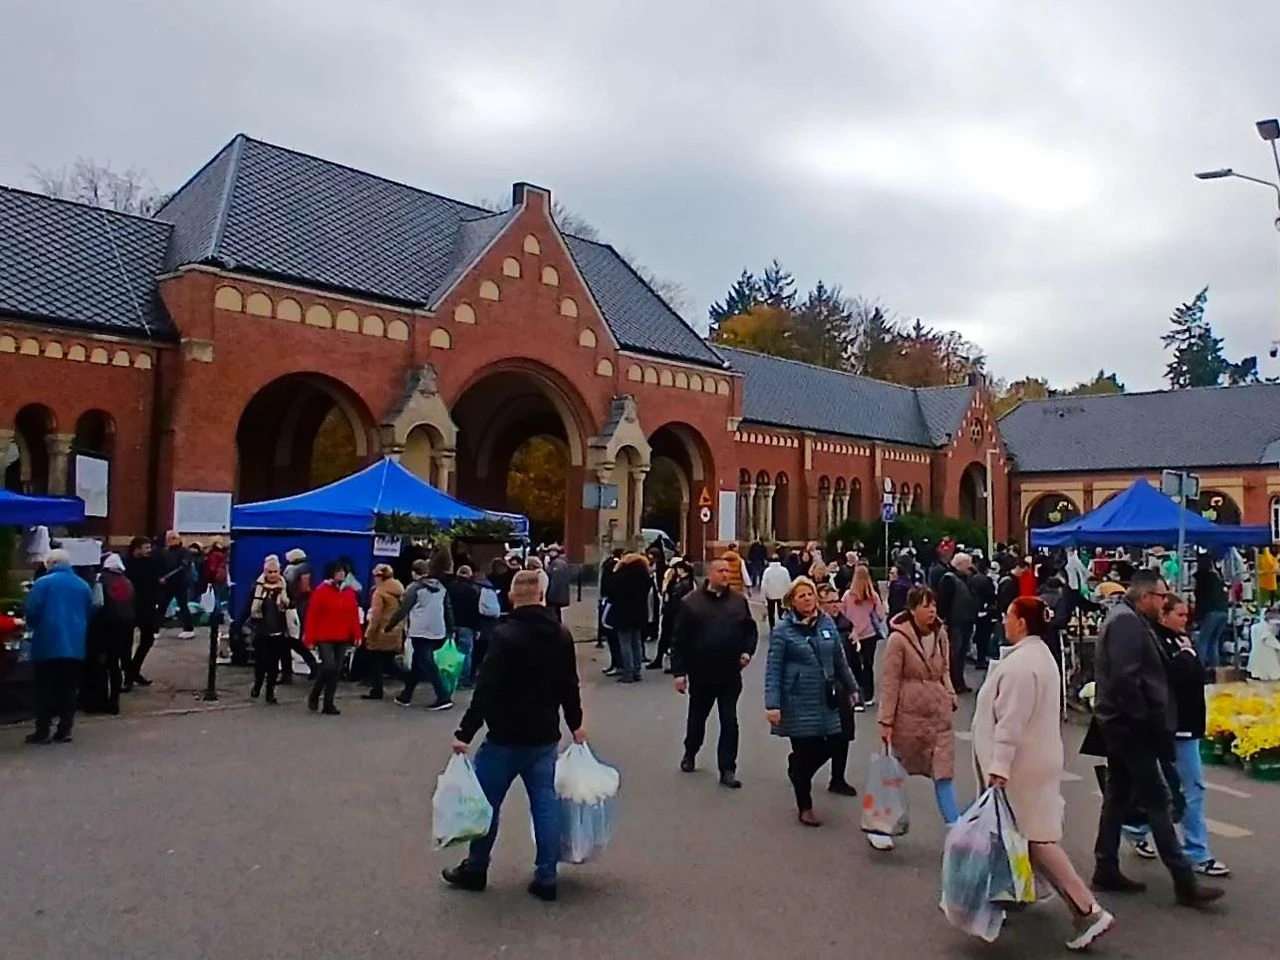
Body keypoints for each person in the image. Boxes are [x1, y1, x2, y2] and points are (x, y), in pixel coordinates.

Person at [972, 596, 1116, 951]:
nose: (1004, 621)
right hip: (1035, 760)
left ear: (1021, 623)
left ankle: (1087, 909)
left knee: (1036, 839)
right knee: (1024, 836)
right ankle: (1019, 894)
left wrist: (999, 768)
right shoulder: (1038, 657)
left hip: (1021, 766)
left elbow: (1011, 723)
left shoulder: (1022, 666)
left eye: (1009, 615)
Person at [444, 570, 586, 902]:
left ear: (511, 597)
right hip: (544, 736)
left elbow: (486, 689)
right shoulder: (562, 635)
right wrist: (576, 724)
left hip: (505, 736)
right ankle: (547, 876)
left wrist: (465, 732)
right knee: (545, 805)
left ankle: (476, 867)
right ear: (542, 596)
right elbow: (570, 684)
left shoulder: (504, 635)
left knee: (486, 805)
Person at [1091, 570, 1223, 906]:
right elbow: (1125, 679)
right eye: (1162, 597)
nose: (1166, 602)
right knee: (1158, 801)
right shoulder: (1127, 623)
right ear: (1147, 596)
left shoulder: (1128, 618)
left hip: (1122, 724)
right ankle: (1183, 881)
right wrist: (1145, 720)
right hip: (1131, 727)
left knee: (1118, 796)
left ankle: (1105, 865)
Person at [1122, 593, 1230, 878]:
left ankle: (1134, 826)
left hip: (1190, 724)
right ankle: (1197, 851)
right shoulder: (1160, 642)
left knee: (1170, 789)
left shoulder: (1182, 639)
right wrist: (1185, 657)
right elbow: (1169, 678)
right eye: (1179, 614)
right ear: (1164, 614)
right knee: (1191, 789)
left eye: (1186, 614)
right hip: (1175, 726)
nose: (1185, 620)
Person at [763, 576, 859, 826]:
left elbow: (839, 660)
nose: (807, 599)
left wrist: (852, 687)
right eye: (801, 595)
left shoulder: (826, 623)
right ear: (792, 601)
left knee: (836, 742)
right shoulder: (784, 630)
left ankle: (796, 769)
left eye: (810, 594)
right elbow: (773, 668)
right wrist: (772, 704)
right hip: (797, 700)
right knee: (805, 751)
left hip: (826, 697)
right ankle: (805, 806)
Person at [873, 586, 959, 850]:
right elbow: (890, 681)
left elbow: (945, 668)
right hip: (908, 715)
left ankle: (956, 830)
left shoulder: (941, 633)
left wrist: (949, 692)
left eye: (933, 605)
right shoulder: (899, 640)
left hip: (938, 714)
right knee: (894, 772)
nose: (931, 610)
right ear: (912, 610)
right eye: (924, 605)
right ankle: (880, 826)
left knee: (943, 773)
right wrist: (886, 721)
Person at [671, 558, 759, 788]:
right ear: (710, 574)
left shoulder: (738, 602)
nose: (725, 575)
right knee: (698, 718)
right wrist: (679, 673)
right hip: (701, 673)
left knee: (729, 721)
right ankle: (690, 751)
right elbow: (678, 640)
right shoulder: (691, 603)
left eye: (728, 571)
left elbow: (750, 630)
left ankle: (727, 768)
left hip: (730, 672)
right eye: (720, 571)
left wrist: (747, 651)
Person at [24, 548, 95, 744]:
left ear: (50, 564)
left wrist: (32, 625)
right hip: (75, 644)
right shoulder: (82, 585)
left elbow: (32, 611)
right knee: (69, 689)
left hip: (48, 643)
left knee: (45, 689)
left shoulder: (43, 583)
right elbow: (91, 609)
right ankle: (65, 730)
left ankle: (42, 731)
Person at [388, 556, 457, 710]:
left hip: (420, 631)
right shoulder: (441, 587)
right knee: (419, 662)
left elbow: (403, 610)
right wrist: (451, 629)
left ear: (414, 573)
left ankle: (443, 696)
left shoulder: (414, 588)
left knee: (428, 663)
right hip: (438, 630)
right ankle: (406, 695)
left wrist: (389, 626)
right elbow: (448, 609)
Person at [301, 560, 363, 715]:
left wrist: (357, 634)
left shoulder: (349, 592)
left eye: (343, 571)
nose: (341, 574)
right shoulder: (321, 591)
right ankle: (315, 694)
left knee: (336, 670)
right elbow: (312, 616)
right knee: (329, 666)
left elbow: (353, 615)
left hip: (343, 636)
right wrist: (309, 637)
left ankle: (329, 703)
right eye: (338, 571)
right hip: (324, 636)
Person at [817, 584, 859, 791]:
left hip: (841, 687)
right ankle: (799, 765)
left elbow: (850, 662)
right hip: (818, 688)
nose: (836, 606)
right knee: (817, 738)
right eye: (830, 602)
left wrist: (854, 688)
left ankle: (838, 778)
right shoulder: (814, 626)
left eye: (837, 601)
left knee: (844, 734)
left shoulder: (845, 626)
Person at [95, 554, 135, 715]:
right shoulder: (127, 581)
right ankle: (115, 700)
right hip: (126, 625)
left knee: (104, 664)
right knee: (115, 664)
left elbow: (97, 603)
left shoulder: (102, 579)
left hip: (107, 625)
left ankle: (103, 699)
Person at [603, 552, 652, 683]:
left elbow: (610, 591)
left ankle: (628, 672)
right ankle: (637, 671)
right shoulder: (645, 576)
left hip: (623, 613)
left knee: (625, 643)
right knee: (636, 642)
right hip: (640, 613)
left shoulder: (621, 576)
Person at [248, 555, 291, 704]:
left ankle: (270, 693)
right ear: (264, 572)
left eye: (275, 571)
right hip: (262, 632)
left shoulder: (284, 586)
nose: (273, 575)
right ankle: (258, 685)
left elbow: (291, 605)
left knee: (274, 665)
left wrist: (283, 599)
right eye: (270, 572)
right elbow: (250, 607)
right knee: (261, 663)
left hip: (278, 632)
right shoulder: (257, 587)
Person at [841, 564, 886, 707]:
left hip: (852, 634)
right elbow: (880, 615)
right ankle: (869, 695)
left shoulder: (848, 596)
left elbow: (841, 613)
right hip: (869, 634)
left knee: (853, 665)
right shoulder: (873, 597)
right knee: (868, 665)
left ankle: (856, 694)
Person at [361, 563, 405, 700]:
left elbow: (376, 616)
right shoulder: (400, 590)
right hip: (396, 630)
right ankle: (409, 679)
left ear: (380, 577)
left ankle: (377, 690)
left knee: (376, 662)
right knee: (389, 660)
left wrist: (369, 633)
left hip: (382, 631)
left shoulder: (379, 592)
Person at [936, 552, 977, 694]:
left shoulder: (964, 579)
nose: (970, 567)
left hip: (965, 621)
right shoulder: (948, 580)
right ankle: (953, 682)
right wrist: (944, 621)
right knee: (954, 654)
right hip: (955, 622)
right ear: (960, 565)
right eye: (968, 564)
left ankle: (959, 681)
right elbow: (943, 602)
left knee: (961, 654)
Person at [123, 536, 158, 689]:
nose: (148, 550)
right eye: (145, 547)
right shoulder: (126, 564)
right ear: (136, 549)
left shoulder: (151, 563)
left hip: (147, 606)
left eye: (149, 547)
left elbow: (154, 582)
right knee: (125, 643)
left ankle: (133, 670)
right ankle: (128, 675)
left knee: (148, 639)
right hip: (130, 606)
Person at [650, 559, 695, 671]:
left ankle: (669, 662)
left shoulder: (683, 584)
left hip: (674, 614)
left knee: (671, 639)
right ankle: (663, 660)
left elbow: (676, 599)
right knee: (669, 638)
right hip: (673, 613)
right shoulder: (682, 582)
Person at [281, 548, 319, 682]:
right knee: (290, 640)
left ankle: (290, 672)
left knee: (290, 640)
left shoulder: (296, 569)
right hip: (297, 606)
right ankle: (310, 666)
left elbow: (304, 588)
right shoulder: (303, 568)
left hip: (294, 607)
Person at [447, 565, 483, 688]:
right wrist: (477, 627)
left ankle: (449, 676)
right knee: (466, 653)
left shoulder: (450, 588)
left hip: (451, 624)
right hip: (468, 625)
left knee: (450, 652)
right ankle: (464, 680)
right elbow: (476, 610)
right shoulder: (474, 590)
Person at [158, 531, 196, 639]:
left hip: (180, 583)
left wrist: (166, 577)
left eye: (170, 538)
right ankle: (155, 629)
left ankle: (189, 629)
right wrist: (161, 577)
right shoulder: (166, 552)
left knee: (183, 605)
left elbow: (182, 567)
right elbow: (162, 565)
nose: (168, 541)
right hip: (168, 584)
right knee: (162, 606)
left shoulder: (184, 552)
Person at [1192, 560, 1228, 671]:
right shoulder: (1217, 577)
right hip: (1223, 610)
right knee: (1214, 642)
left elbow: (1199, 597)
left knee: (1202, 641)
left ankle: (1200, 669)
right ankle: (1215, 669)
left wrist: (1197, 617)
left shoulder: (1201, 578)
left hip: (1211, 611)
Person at [969, 557, 997, 671]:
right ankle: (981, 659)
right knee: (984, 636)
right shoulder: (987, 580)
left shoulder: (971, 579)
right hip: (985, 611)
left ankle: (978, 657)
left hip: (974, 609)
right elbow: (991, 595)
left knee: (977, 635)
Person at [544, 546, 572, 623]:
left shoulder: (557, 563)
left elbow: (555, 581)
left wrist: (549, 596)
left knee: (554, 614)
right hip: (557, 596)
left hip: (555, 596)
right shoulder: (557, 562)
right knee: (556, 613)